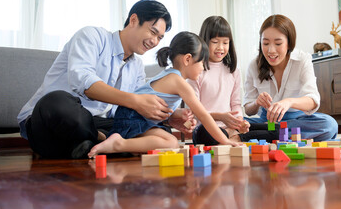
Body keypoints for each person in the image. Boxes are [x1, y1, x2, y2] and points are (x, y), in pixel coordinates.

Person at [17, 0, 193, 159]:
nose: (154, 41)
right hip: (56, 120)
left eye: (160, 38)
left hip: (99, 123)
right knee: (56, 102)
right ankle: (101, 141)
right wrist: (135, 100)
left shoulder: (137, 66)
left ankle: (92, 145)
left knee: (164, 136)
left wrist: (166, 117)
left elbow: (134, 112)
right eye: (152, 32)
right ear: (133, 20)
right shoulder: (92, 36)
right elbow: (83, 82)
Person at [88, 31, 240, 157]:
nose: (203, 68)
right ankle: (119, 144)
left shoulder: (170, 75)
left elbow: (166, 111)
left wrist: (182, 118)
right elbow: (203, 115)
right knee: (171, 143)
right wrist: (225, 141)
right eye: (201, 62)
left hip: (134, 118)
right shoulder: (179, 82)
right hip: (134, 118)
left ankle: (109, 139)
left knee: (159, 143)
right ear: (187, 59)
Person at [243, 14, 338, 142]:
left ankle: (267, 133)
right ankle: (273, 133)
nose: (271, 50)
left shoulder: (302, 59)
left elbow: (313, 100)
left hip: (297, 119)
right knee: (235, 123)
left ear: (289, 43)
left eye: (278, 43)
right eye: (265, 43)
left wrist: (289, 102)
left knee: (329, 125)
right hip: (265, 120)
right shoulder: (254, 65)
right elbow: (248, 110)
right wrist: (256, 103)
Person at [188, 16, 280, 145]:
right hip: (209, 129)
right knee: (202, 133)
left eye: (225, 43)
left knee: (276, 129)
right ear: (204, 41)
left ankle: (234, 139)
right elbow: (195, 112)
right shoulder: (196, 70)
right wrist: (221, 117)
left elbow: (236, 103)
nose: (220, 47)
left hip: (232, 128)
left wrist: (240, 122)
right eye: (215, 42)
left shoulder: (233, 70)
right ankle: (230, 139)